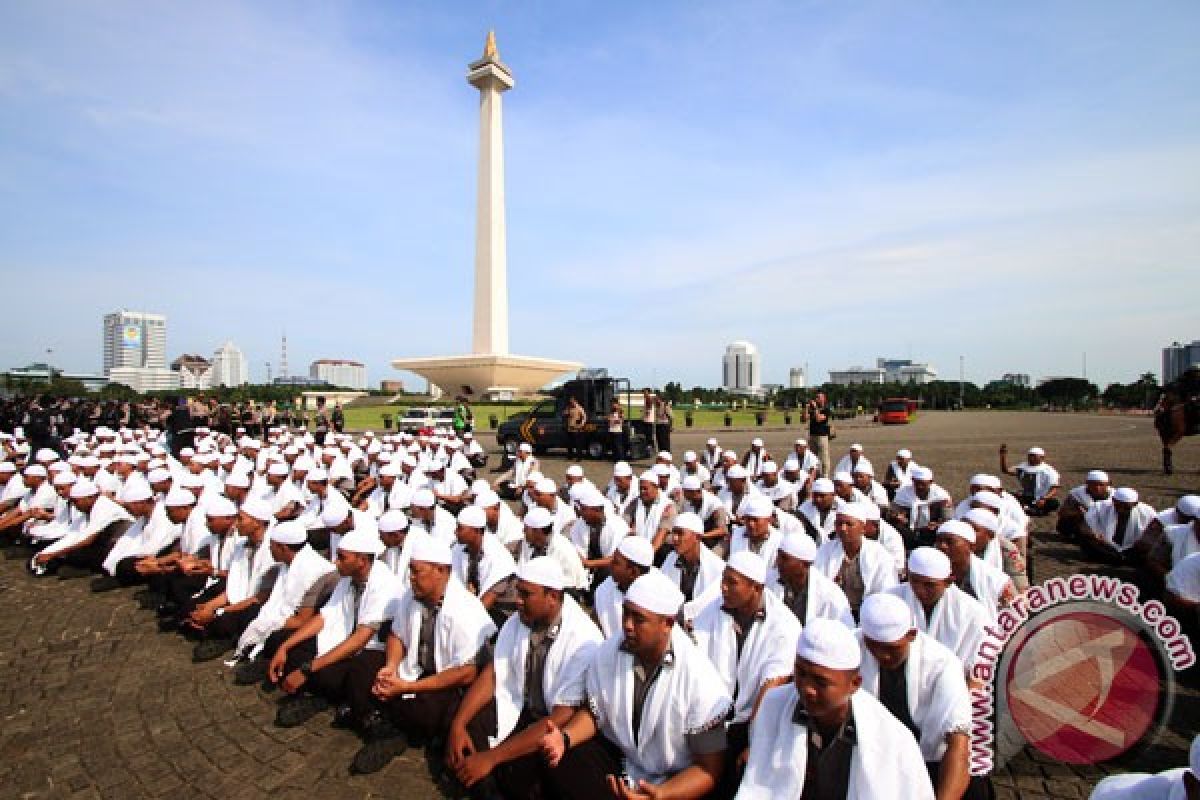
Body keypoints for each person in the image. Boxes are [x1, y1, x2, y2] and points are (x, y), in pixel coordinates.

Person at [539, 570, 732, 800]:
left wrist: (659, 795)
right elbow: (596, 713)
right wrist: (565, 738)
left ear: (667, 624)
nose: (627, 626)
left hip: (676, 781)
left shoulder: (699, 679)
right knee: (565, 761)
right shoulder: (611, 651)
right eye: (625, 614)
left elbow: (708, 769)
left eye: (638, 619)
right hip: (626, 765)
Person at [445, 557, 605, 800]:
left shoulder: (583, 640)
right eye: (518, 592)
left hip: (551, 724)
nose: (517, 600)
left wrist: (491, 757)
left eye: (525, 594)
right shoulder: (518, 621)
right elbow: (494, 674)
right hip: (520, 709)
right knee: (462, 715)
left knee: (544, 766)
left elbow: (561, 716)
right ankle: (482, 779)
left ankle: (483, 778)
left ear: (552, 595)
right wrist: (458, 725)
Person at [735, 618, 934, 799]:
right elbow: (760, 786)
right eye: (801, 673)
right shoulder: (775, 704)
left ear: (854, 684)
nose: (807, 688)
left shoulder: (891, 738)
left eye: (821, 682)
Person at [351, 537, 496, 774]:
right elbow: (397, 635)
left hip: (446, 678)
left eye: (417, 571)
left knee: (434, 706)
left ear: (441, 571)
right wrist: (390, 667)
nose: (411, 577)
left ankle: (399, 728)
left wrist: (407, 687)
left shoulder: (465, 609)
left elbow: (466, 673)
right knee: (363, 665)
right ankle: (383, 727)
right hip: (415, 670)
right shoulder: (413, 595)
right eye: (410, 571)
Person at [691, 551, 801, 796]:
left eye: (732, 582)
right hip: (713, 715)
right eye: (723, 580)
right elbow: (695, 659)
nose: (723, 588)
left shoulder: (783, 624)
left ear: (756, 588)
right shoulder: (713, 611)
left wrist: (756, 741)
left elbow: (772, 684)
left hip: (754, 719)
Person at [268, 526, 399, 730]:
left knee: (347, 674)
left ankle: (320, 693)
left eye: (342, 557)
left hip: (369, 649)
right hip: (343, 637)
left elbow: (360, 639)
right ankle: (320, 688)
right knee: (280, 640)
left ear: (362, 561)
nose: (336, 562)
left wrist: (308, 669)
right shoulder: (348, 578)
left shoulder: (384, 584)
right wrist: (284, 647)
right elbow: (324, 616)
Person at [856, 594, 979, 800]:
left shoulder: (943, 664)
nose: (883, 655)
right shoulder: (850, 649)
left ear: (911, 635)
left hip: (928, 761)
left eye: (892, 649)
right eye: (873, 646)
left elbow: (958, 743)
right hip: (867, 757)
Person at [890, 548, 989, 676]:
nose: (919, 590)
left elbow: (979, 666)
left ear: (948, 582)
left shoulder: (973, 613)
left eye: (929, 585)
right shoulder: (890, 599)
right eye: (914, 581)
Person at [813, 503, 897, 621]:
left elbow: (886, 592)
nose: (843, 528)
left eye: (849, 524)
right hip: (832, 613)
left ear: (863, 528)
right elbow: (816, 585)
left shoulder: (879, 555)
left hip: (868, 614)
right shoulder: (825, 550)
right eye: (839, 523)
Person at [934, 520, 1015, 624]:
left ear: (971, 547)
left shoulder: (996, 579)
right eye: (939, 541)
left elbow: (1014, 616)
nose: (942, 546)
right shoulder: (926, 576)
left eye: (950, 542)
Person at [660, 511, 726, 617]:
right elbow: (661, 590)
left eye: (680, 533)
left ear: (697, 537)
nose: (674, 538)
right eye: (674, 533)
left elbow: (711, 604)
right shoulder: (671, 558)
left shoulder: (717, 567)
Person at [592, 536, 654, 639]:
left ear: (633, 572)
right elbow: (594, 627)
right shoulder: (606, 588)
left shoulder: (658, 595)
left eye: (615, 562)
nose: (610, 565)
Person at [999, 444, 1060, 516]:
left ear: (1042, 458)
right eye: (1030, 455)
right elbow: (1005, 470)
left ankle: (1029, 509)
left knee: (1055, 503)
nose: (1031, 458)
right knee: (1005, 495)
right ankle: (1029, 509)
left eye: (1034, 456)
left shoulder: (1049, 471)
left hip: (1041, 498)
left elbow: (1054, 488)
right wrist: (1003, 456)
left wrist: (1044, 498)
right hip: (1025, 496)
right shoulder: (1023, 467)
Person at [1056, 470, 1112, 541]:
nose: (1097, 488)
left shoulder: (1114, 496)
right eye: (1094, 484)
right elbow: (1062, 513)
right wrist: (1079, 512)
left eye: (1101, 485)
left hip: (1106, 524)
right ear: (1087, 484)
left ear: (1107, 484)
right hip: (1083, 522)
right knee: (1064, 523)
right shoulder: (1076, 494)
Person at [807, 393, 833, 478]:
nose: (816, 399)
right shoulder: (812, 409)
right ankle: (814, 475)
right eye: (816, 397)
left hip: (822, 436)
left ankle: (825, 476)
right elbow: (804, 418)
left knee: (824, 458)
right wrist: (806, 408)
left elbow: (818, 419)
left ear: (824, 399)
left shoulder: (826, 409)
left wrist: (815, 408)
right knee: (812, 458)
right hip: (812, 435)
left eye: (819, 397)